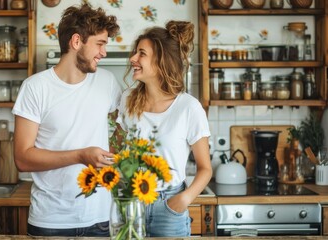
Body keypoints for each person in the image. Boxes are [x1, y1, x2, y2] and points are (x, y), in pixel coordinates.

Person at [12, 3, 121, 237]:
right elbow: (22, 158)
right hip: (51, 220)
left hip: (100, 217)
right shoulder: (35, 88)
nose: (103, 53)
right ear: (76, 41)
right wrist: (81, 156)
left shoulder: (108, 82)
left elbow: (125, 124)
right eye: (99, 44)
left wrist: (112, 153)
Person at [116, 20, 212, 237]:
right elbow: (118, 151)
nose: (133, 59)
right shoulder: (128, 100)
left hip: (169, 206)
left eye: (141, 53)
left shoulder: (188, 107)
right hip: (132, 203)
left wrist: (183, 200)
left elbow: (205, 168)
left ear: (161, 61)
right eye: (135, 52)